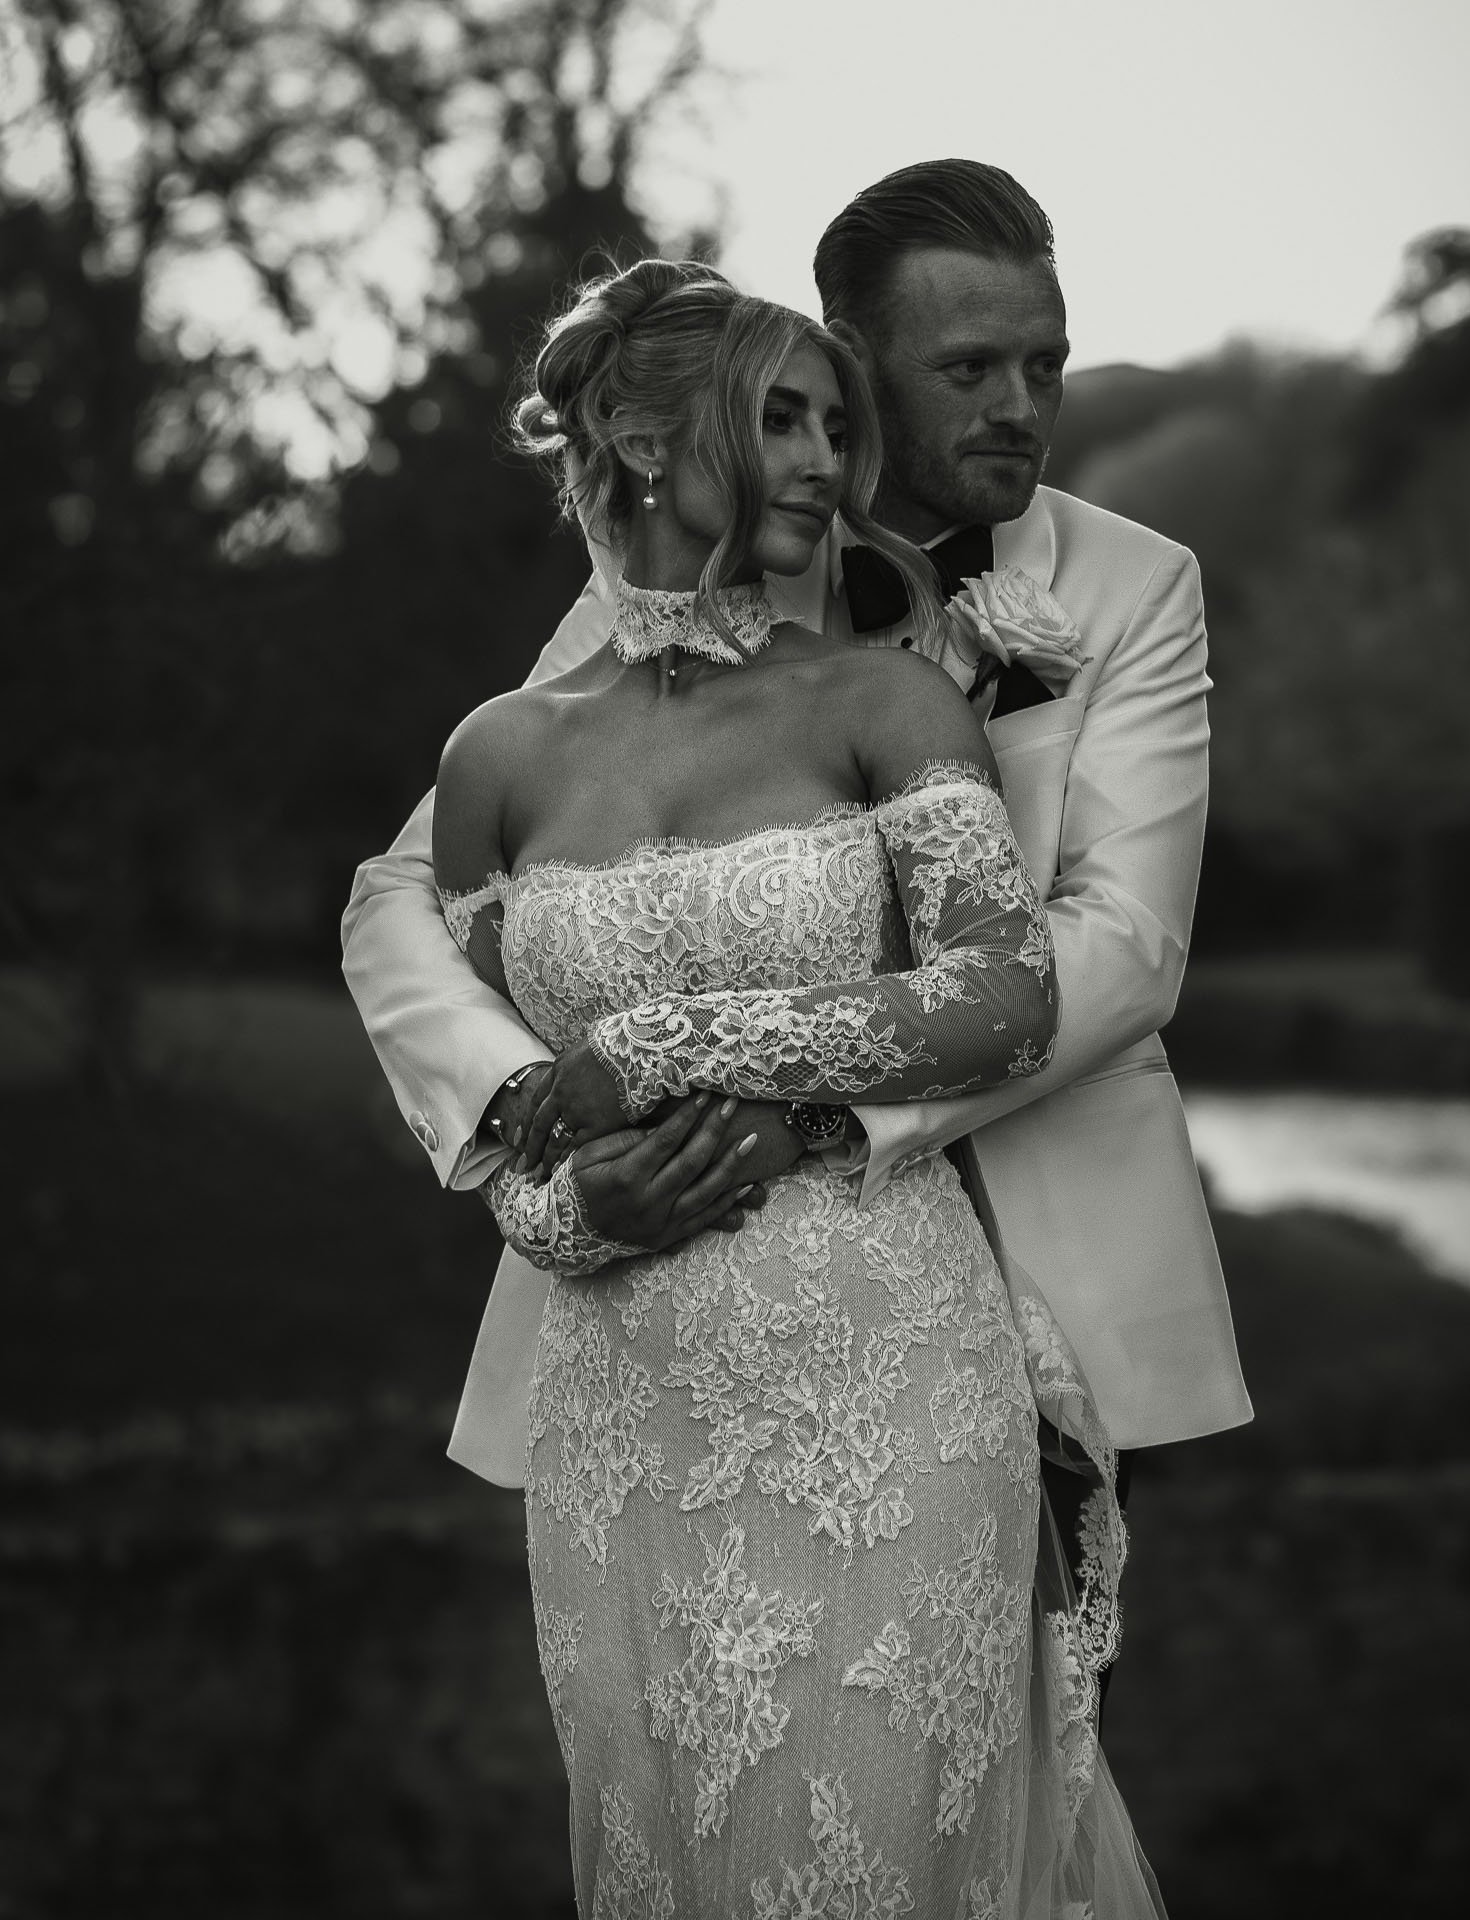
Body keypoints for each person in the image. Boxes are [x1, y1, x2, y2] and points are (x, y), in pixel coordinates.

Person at [364, 254, 1164, 1911]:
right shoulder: (495, 754)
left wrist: (671, 1046)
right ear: (652, 446)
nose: (825, 462)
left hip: (882, 1371)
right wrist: (554, 1211)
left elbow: (1005, 996)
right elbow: (471, 1035)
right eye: (782, 421)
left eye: (833, 425)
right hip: (620, 1406)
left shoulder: (883, 695)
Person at [344, 159, 1250, 1611]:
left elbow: (1125, 947)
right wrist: (533, 1114)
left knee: (987, 1761)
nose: (1019, 407)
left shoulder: (1134, 584)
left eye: (1044, 362)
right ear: (854, 362)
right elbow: (400, 892)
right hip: (651, 1276)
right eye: (967, 368)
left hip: (1019, 1248)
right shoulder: (688, 544)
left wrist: (803, 1116)